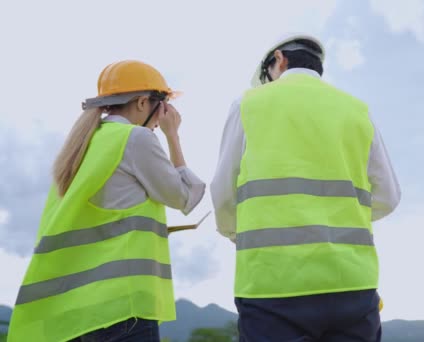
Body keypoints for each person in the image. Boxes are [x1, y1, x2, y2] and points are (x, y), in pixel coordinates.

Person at [210, 33, 401, 341]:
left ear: (280, 60)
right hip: (352, 282)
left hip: (272, 281)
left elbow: (222, 192)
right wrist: (340, 219)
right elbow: (389, 197)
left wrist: (238, 233)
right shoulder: (356, 110)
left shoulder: (247, 104)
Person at [8, 60, 205, 342]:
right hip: (123, 308)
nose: (163, 116)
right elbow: (185, 197)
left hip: (77, 310)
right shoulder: (135, 139)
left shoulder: (83, 145)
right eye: (162, 105)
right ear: (141, 102)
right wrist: (173, 136)